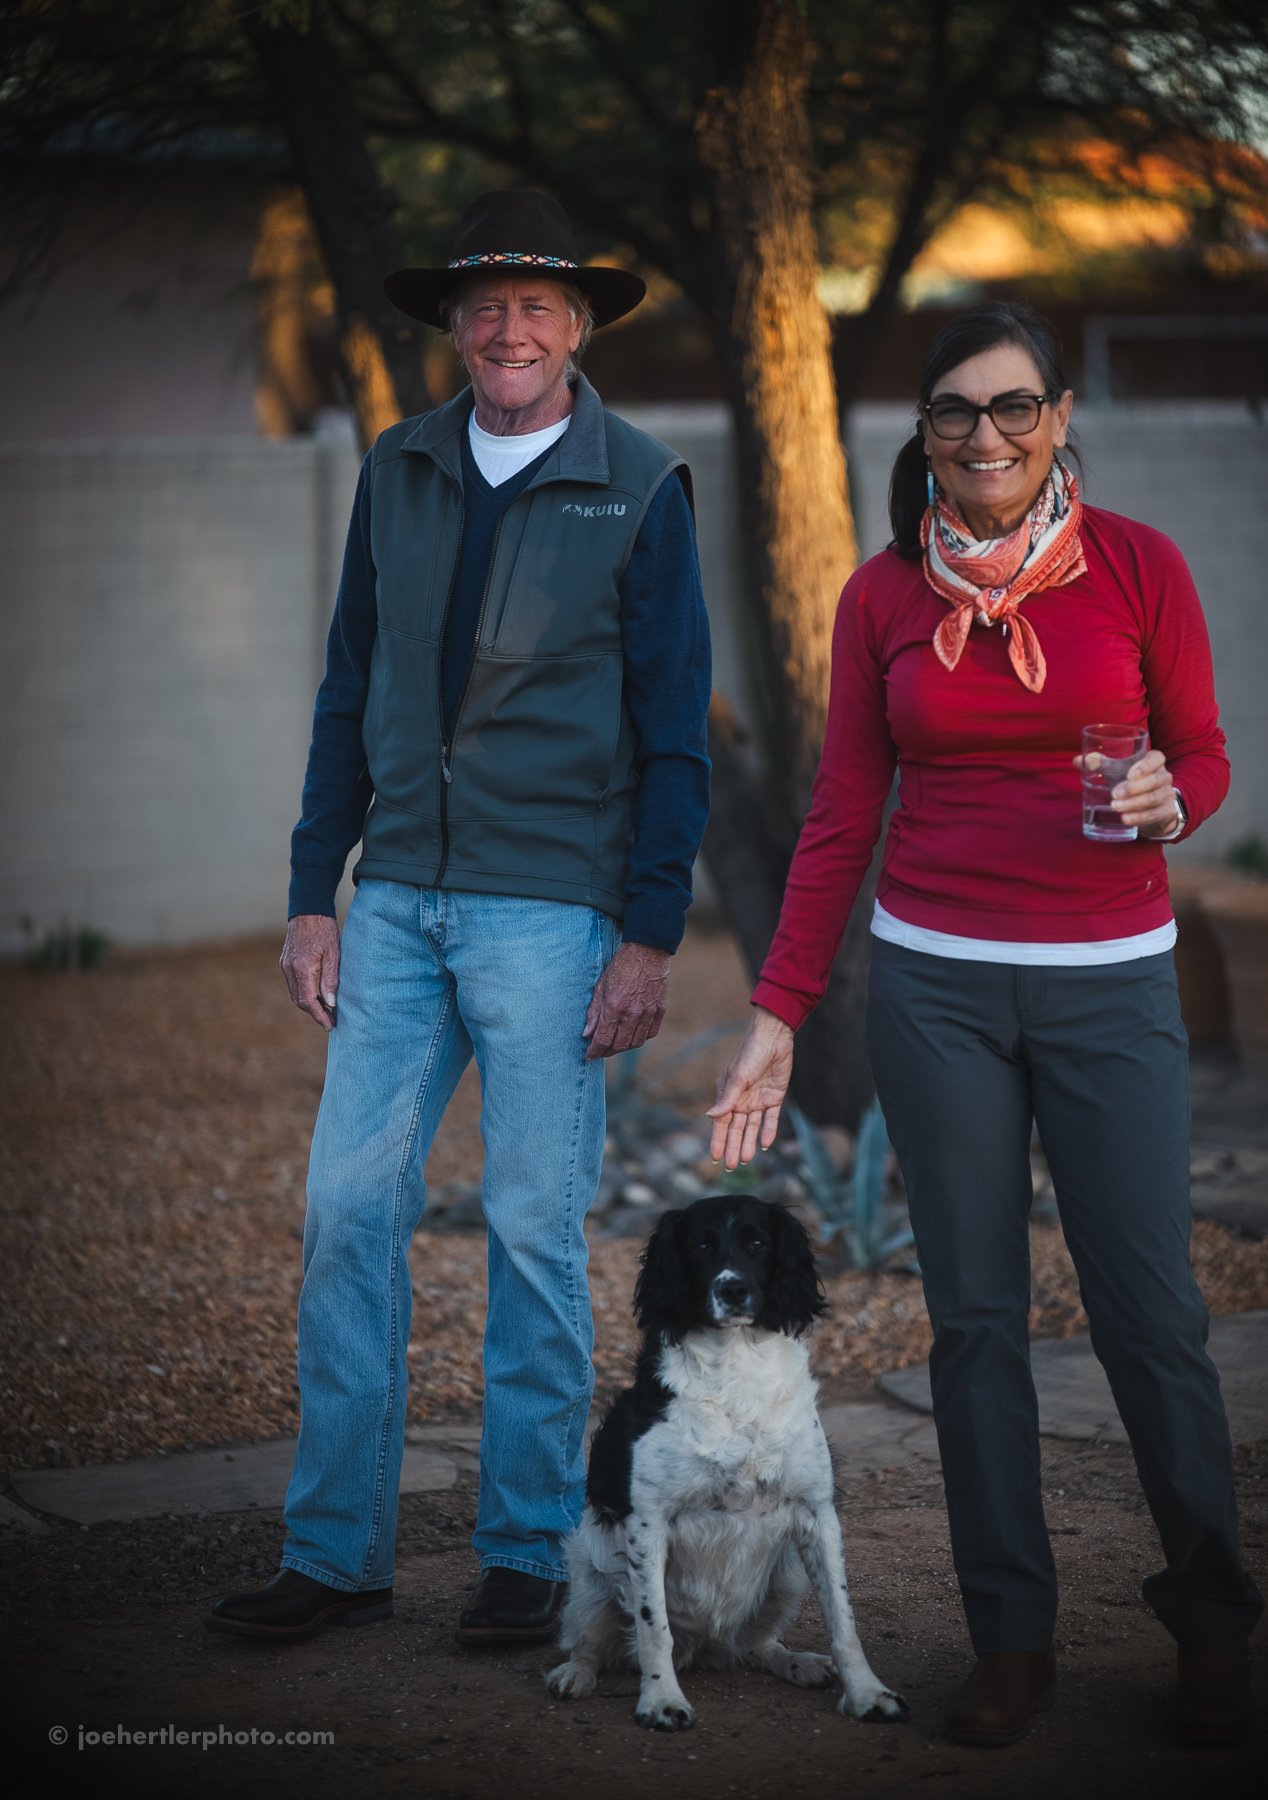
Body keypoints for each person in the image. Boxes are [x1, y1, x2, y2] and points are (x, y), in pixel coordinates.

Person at [708, 302, 1261, 1746]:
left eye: (1015, 406)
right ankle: (1010, 1639)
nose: (987, 434)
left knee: (1153, 1315)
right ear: (927, 433)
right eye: (956, 410)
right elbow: (840, 816)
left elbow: (1201, 749)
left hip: (1112, 981)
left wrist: (1173, 799)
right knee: (973, 1325)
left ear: (1059, 416)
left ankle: (1213, 1624)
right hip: (937, 990)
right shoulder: (883, 595)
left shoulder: (1139, 566)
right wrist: (778, 1012)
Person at [208, 191, 711, 1650]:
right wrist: (315, 892)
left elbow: (676, 729)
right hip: (397, 906)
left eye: (538, 304)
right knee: (346, 1211)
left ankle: (526, 1553)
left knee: (533, 1233)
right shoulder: (400, 465)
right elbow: (346, 683)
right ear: (454, 326)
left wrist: (649, 934)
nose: (509, 327)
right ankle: (335, 1556)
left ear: (579, 326)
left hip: (552, 913)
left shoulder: (642, 485)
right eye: (485, 304)